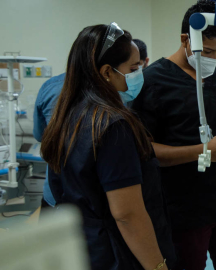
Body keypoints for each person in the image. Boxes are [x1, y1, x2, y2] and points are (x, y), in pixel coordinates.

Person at [40, 23, 175, 270]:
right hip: (119, 252)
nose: (138, 74)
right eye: (133, 68)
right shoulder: (113, 126)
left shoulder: (68, 114)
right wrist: (157, 265)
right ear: (106, 72)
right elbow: (127, 214)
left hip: (87, 247)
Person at [132, 1, 216, 269]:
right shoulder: (153, 82)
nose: (212, 59)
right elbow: (145, 151)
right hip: (181, 210)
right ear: (185, 39)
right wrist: (202, 151)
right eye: (208, 50)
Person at [34, 73, 65, 208]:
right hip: (94, 204)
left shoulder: (52, 86)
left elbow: (40, 134)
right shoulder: (113, 90)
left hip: (54, 193)